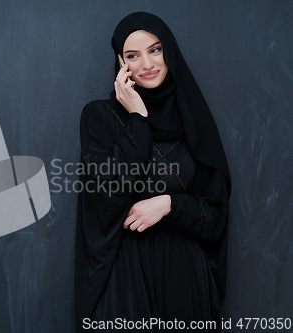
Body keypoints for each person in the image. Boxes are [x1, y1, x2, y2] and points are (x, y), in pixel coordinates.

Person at [74, 12, 231, 332]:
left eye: (155, 50)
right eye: (133, 55)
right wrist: (139, 119)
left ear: (169, 51)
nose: (147, 63)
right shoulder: (99, 118)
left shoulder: (194, 123)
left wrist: (169, 204)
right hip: (124, 276)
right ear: (121, 62)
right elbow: (107, 194)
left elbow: (215, 217)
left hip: (185, 278)